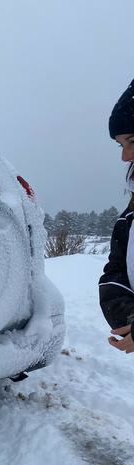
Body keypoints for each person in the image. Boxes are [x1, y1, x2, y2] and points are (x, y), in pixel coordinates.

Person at [100, 78, 134, 353]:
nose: (125, 157)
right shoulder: (129, 218)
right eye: (121, 145)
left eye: (132, 140)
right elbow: (115, 274)